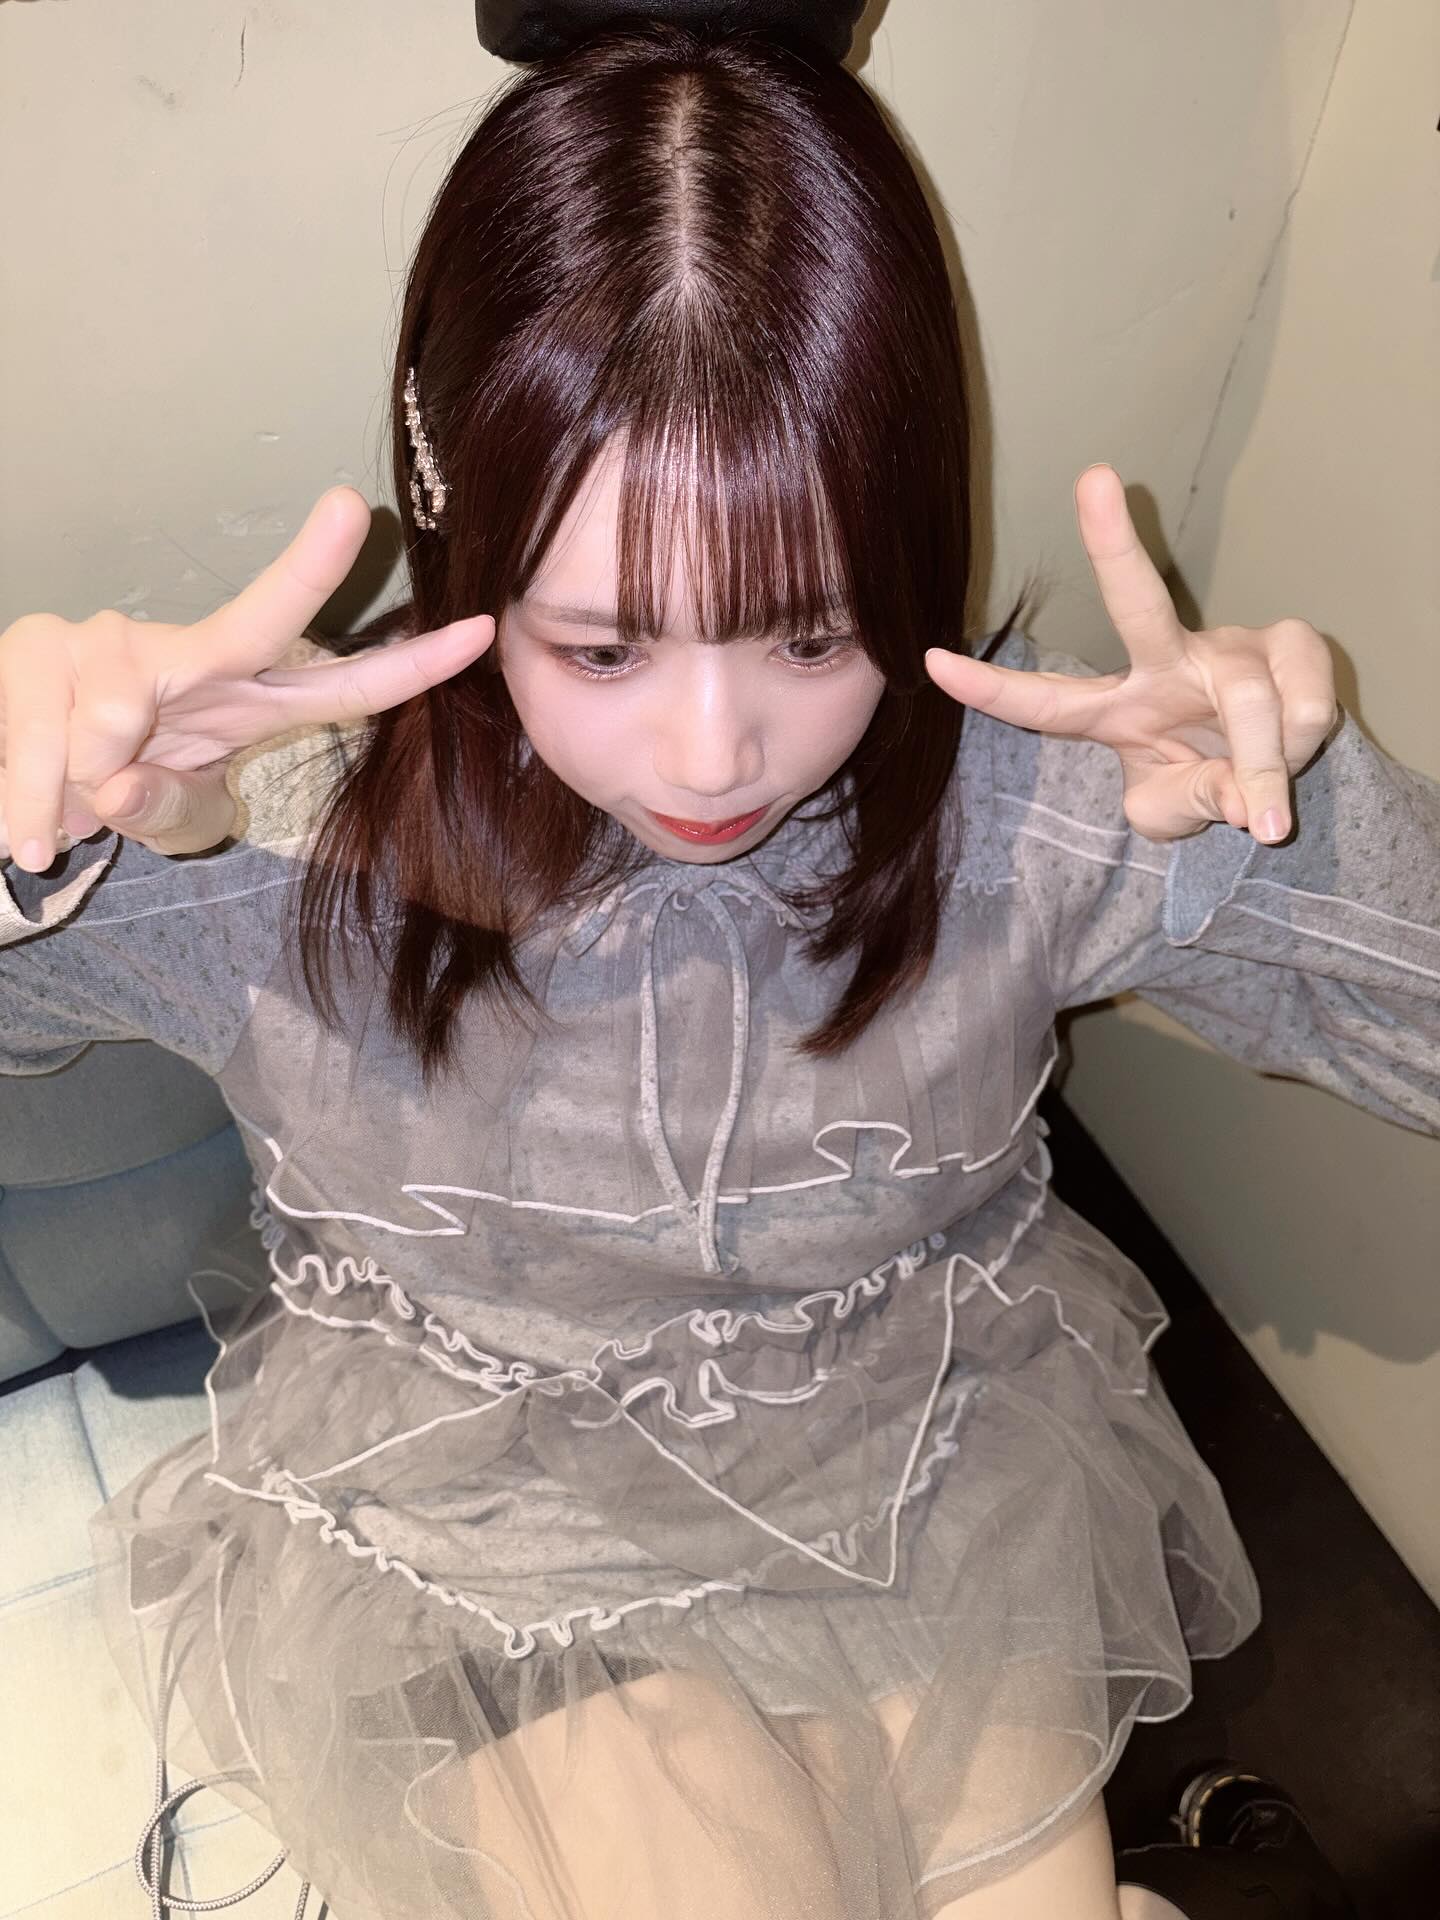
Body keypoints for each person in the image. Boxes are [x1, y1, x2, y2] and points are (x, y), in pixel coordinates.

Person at [1, 8, 1434, 1918]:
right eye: (602, 647)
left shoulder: (1032, 800)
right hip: (496, 1527)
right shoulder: (255, 837)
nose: (709, 757)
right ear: (463, 541)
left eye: (810, 634)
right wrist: (25, 835)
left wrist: (1298, 814)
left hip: (926, 1472)